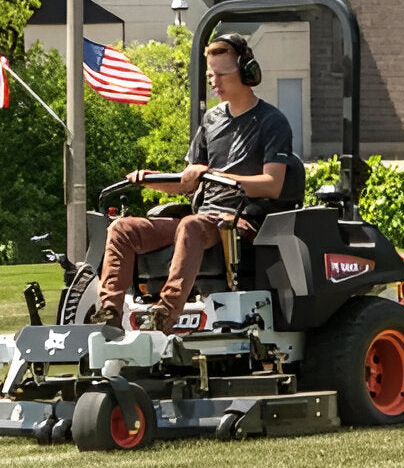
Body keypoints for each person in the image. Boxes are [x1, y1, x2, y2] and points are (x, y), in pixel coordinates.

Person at [92, 33, 296, 333]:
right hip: (202, 220)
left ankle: (165, 314)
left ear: (247, 72)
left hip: (239, 222)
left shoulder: (271, 121)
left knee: (190, 225)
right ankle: (109, 315)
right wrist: (150, 179)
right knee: (122, 229)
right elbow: (187, 183)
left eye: (222, 74)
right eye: (211, 75)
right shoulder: (211, 120)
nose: (215, 82)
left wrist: (213, 174)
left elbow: (272, 184)